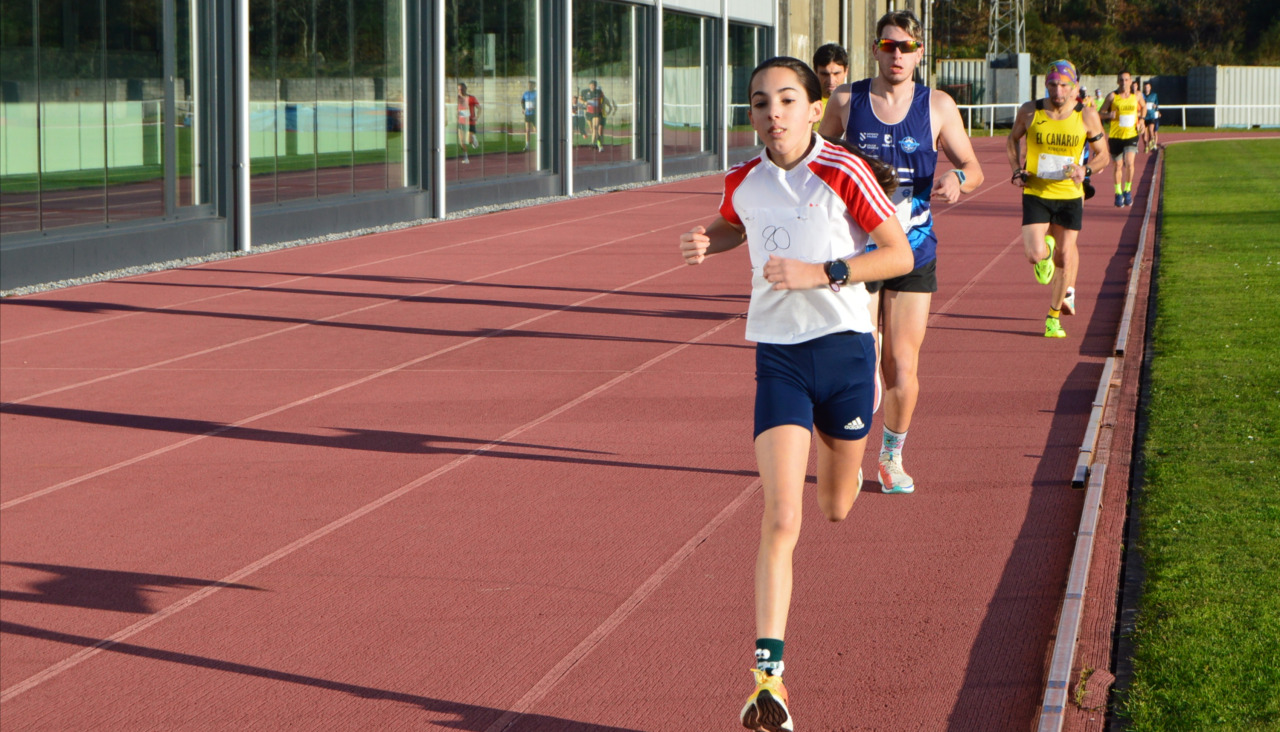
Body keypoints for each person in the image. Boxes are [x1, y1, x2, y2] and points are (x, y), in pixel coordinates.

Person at [678, 56, 913, 732]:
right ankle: (767, 683)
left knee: (835, 507)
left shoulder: (843, 170)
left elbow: (897, 254)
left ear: (815, 108)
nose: (771, 113)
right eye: (758, 103)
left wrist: (823, 271)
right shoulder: (743, 182)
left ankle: (850, 460)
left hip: (844, 356)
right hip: (778, 361)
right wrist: (707, 240)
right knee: (782, 518)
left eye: (785, 100)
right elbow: (735, 223)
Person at [819, 9, 984, 495]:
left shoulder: (938, 106)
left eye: (906, 46)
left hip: (914, 250)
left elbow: (973, 167)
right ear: (875, 49)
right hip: (860, 249)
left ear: (919, 53)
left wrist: (958, 178)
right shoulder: (847, 100)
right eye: (889, 45)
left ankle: (891, 457)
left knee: (901, 364)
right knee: (857, 358)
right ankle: (849, 454)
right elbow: (816, 157)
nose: (897, 54)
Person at [1007, 60, 1110, 338]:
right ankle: (1046, 251)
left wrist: (1085, 170)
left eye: (1064, 85)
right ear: (1046, 85)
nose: (1058, 90)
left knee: (1066, 257)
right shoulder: (1030, 111)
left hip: (1069, 196)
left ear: (1074, 86)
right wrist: (1016, 169)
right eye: (1053, 84)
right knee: (1034, 255)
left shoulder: (1087, 115)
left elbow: (1104, 155)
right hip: (1037, 192)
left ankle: (1053, 318)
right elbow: (1012, 139)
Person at [1099, 71, 1144, 207]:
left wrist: (1141, 119)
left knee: (1129, 162)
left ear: (1131, 81)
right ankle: (1118, 192)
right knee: (1117, 165)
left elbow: (1144, 107)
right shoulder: (1112, 96)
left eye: (1126, 80)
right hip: (1116, 136)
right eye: (1121, 80)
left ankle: (1128, 190)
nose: (1124, 83)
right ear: (1118, 82)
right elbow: (1099, 114)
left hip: (1131, 135)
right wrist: (1108, 115)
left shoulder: (1136, 95)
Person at [811, 43, 849, 131]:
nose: (831, 81)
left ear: (846, 71)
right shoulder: (806, 102)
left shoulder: (856, 102)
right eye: (825, 74)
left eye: (836, 74)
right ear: (815, 71)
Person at [581, 80, 614, 152]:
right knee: (593, 130)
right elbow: (583, 101)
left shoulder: (603, 97)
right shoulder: (587, 94)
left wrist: (607, 111)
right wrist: (585, 104)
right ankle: (597, 143)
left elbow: (609, 106)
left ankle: (597, 145)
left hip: (600, 115)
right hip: (591, 114)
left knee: (598, 130)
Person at [456, 82, 481, 163]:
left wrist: (476, 117)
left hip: (470, 122)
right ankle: (466, 158)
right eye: (459, 89)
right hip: (461, 122)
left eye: (462, 89)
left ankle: (473, 139)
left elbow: (479, 108)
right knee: (461, 141)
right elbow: (458, 109)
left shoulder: (471, 98)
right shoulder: (458, 98)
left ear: (465, 89)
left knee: (468, 140)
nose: (460, 91)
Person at [1142, 80, 1160, 152]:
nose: (1147, 88)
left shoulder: (1154, 95)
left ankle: (1152, 144)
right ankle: (1146, 145)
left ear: (1150, 88)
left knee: (1151, 130)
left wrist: (1156, 108)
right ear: (1144, 88)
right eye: (1145, 87)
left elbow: (1157, 104)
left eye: (1148, 87)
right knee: (1144, 133)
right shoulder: (1141, 96)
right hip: (1143, 116)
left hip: (1151, 116)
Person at [521, 80, 537, 151]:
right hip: (527, 114)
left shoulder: (536, 93)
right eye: (529, 85)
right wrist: (523, 109)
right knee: (527, 130)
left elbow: (540, 102)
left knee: (536, 129)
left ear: (534, 86)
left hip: (534, 114)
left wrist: (535, 107)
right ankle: (527, 145)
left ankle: (538, 143)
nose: (529, 86)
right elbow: (522, 101)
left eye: (531, 85)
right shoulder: (526, 93)